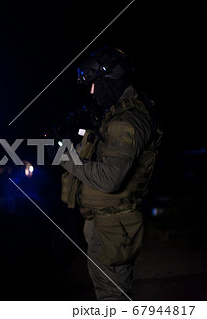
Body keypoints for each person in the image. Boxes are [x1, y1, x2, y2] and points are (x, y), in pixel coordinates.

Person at [59, 47, 162, 300]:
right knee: (108, 293)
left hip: (112, 225)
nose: (92, 92)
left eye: (96, 85)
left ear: (111, 81)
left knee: (112, 297)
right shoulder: (121, 114)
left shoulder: (126, 121)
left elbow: (109, 178)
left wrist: (64, 155)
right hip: (108, 222)